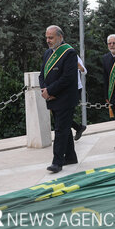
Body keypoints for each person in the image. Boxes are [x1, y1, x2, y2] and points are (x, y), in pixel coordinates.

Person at [39, 25, 79, 172]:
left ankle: (57, 162)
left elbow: (68, 78)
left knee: (60, 130)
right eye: (47, 37)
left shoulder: (69, 53)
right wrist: (44, 89)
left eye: (51, 37)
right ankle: (70, 157)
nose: (48, 40)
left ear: (60, 37)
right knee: (65, 128)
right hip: (52, 98)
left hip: (65, 98)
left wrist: (50, 90)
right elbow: (42, 74)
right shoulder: (47, 53)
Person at [71, 57, 87, 141]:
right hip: (61, 89)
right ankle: (78, 128)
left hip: (75, 88)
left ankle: (78, 128)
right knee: (62, 115)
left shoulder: (73, 55)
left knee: (66, 114)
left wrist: (80, 67)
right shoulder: (53, 55)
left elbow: (84, 71)